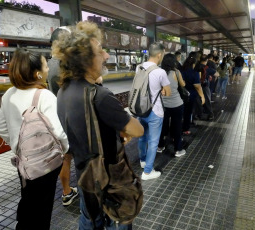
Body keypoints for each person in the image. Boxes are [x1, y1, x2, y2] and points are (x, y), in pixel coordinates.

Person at [53, 21, 143, 230]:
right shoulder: (100, 96)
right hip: (110, 179)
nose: (106, 56)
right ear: (85, 61)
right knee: (118, 220)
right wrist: (121, 127)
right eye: (100, 51)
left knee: (90, 220)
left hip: (85, 175)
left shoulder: (63, 92)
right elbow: (138, 129)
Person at [0, 48, 69, 229]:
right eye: (45, 65)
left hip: (23, 162)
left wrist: (16, 144)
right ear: (37, 73)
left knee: (27, 201)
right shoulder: (44, 96)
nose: (47, 69)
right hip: (45, 163)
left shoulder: (8, 95)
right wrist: (65, 149)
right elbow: (59, 133)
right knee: (42, 210)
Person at [49, 26, 79, 207]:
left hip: (57, 118)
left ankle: (68, 191)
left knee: (66, 158)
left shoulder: (48, 64)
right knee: (68, 158)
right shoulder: (61, 67)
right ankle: (67, 192)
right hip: (66, 120)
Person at [137, 42, 171, 180]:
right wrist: (161, 90)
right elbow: (167, 92)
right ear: (159, 54)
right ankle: (147, 172)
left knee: (142, 137)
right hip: (155, 111)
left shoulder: (139, 67)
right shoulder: (160, 71)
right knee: (153, 142)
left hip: (141, 109)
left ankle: (143, 160)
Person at [157, 53, 186, 157]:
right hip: (177, 104)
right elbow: (183, 84)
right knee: (177, 126)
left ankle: (160, 146)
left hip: (163, 105)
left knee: (162, 126)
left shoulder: (159, 73)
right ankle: (178, 149)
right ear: (173, 62)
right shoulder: (176, 72)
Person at [181, 56, 205, 132]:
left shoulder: (181, 70)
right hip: (190, 95)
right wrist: (202, 96)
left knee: (181, 112)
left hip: (181, 94)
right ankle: (185, 129)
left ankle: (177, 129)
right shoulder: (194, 72)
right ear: (194, 64)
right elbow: (197, 86)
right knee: (188, 112)